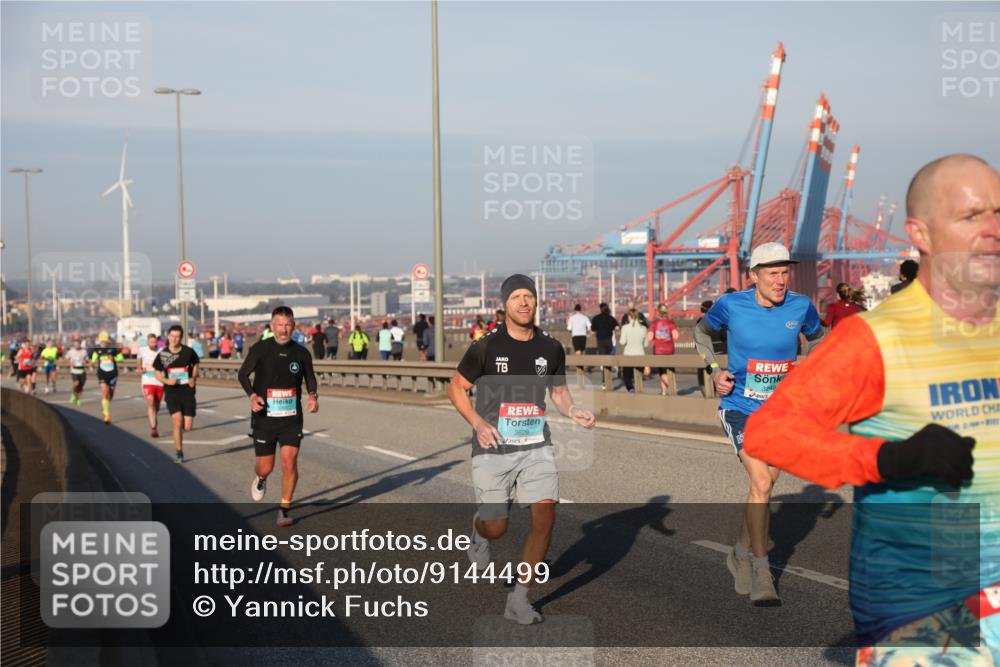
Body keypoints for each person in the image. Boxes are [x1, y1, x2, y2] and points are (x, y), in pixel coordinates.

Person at [744, 154, 1000, 664]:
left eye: (998, 213)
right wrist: (889, 460)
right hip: (925, 606)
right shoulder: (873, 338)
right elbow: (769, 433)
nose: (992, 229)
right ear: (919, 234)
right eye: (971, 216)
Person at [448, 274, 596, 625]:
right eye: (516, 296)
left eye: (528, 295)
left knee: (545, 519)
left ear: (536, 301)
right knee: (496, 526)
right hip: (493, 448)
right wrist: (478, 424)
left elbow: (558, 392)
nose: (524, 302)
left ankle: (519, 599)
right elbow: (456, 387)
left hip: (536, 446)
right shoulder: (485, 347)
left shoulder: (551, 348)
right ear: (505, 305)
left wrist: (572, 410)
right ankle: (478, 533)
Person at [693, 242, 823, 602]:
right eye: (773, 273)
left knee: (764, 486)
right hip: (740, 407)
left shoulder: (801, 306)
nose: (781, 280)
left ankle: (737, 551)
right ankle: (761, 570)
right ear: (754, 275)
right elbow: (701, 334)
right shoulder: (731, 306)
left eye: (785, 273)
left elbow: (819, 338)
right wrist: (714, 370)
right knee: (763, 481)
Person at [238, 306, 319, 528]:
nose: (284, 330)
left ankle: (284, 509)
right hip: (264, 416)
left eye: (288, 325)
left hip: (291, 418)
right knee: (266, 467)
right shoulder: (260, 349)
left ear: (294, 326)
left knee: (290, 461)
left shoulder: (302, 353)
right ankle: (261, 478)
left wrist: (312, 396)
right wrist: (252, 395)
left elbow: (310, 378)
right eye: (280, 325)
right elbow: (242, 374)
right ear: (272, 326)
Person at [153, 325, 200, 463]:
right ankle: (179, 453)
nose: (174, 339)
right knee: (177, 421)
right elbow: (157, 372)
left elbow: (196, 364)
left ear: (181, 337)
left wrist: (194, 378)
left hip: (187, 391)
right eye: (172, 336)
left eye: (177, 336)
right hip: (172, 391)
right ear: (168, 336)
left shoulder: (188, 352)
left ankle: (183, 431)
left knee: (188, 426)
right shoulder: (164, 354)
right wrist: (166, 380)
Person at [90, 331, 125, 424]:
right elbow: (93, 359)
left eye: (105, 341)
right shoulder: (97, 349)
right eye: (102, 341)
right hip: (102, 373)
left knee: (111, 394)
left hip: (113, 374)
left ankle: (106, 406)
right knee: (104, 391)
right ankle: (106, 414)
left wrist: (114, 358)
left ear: (108, 341)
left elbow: (121, 358)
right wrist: (93, 361)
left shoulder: (113, 348)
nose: (103, 343)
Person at [648, 304, 680, 395]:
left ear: (658, 312)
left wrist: (656, 337)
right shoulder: (671, 323)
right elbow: (676, 336)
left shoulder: (654, 323)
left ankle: (672, 386)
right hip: (670, 349)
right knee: (669, 370)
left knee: (662, 371)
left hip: (658, 350)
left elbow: (650, 337)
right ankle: (664, 391)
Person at [137, 333, 164, 438]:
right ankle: (154, 428)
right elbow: (138, 362)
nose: (153, 344)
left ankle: (153, 417)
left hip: (159, 381)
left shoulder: (161, 351)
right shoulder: (142, 350)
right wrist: (139, 368)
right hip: (147, 380)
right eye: (151, 342)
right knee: (150, 401)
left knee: (156, 406)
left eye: (155, 342)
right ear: (148, 342)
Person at [618, 307, 648, 393]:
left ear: (629, 317)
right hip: (640, 355)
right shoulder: (644, 328)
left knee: (627, 377)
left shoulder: (625, 327)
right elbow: (645, 344)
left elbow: (622, 342)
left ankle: (631, 390)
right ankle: (639, 392)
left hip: (628, 355)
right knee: (638, 376)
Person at [65, 339, 88, 405]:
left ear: (80, 344)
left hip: (82, 371)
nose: (76, 345)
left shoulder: (84, 352)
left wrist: (85, 362)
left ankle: (78, 399)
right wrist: (70, 363)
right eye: (75, 344)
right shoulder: (71, 352)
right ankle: (73, 394)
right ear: (74, 344)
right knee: (76, 384)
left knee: (80, 387)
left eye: (78, 344)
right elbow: (66, 359)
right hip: (74, 370)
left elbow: (87, 360)